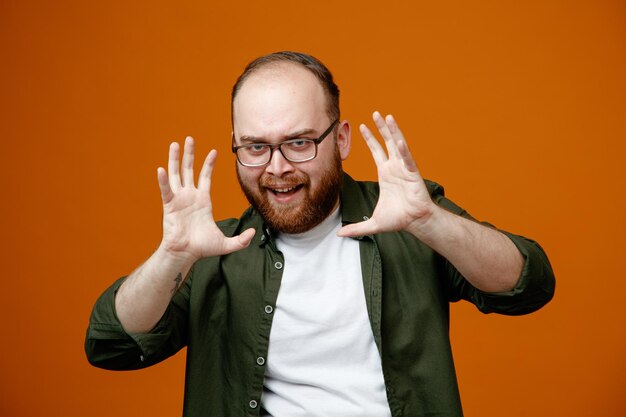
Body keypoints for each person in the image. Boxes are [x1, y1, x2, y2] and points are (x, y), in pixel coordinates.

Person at [85, 51, 555, 417]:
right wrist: (173, 255)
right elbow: (111, 344)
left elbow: (528, 285)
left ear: (342, 139)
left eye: (299, 142)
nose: (277, 168)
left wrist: (429, 221)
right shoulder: (212, 253)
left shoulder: (407, 217)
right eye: (255, 147)